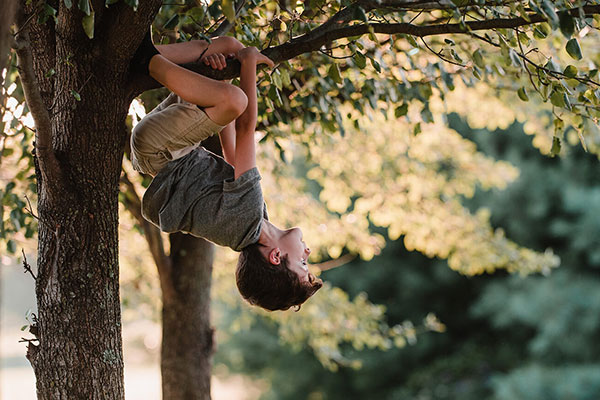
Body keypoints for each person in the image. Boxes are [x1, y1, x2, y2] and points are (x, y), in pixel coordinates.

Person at [130, 34, 323, 311]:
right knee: (230, 48)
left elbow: (244, 126)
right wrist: (221, 78)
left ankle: (144, 60)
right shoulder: (250, 225)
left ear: (276, 256)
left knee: (235, 100)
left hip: (163, 147)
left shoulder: (247, 217)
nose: (308, 251)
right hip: (165, 148)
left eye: (303, 263)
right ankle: (151, 53)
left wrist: (249, 64)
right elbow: (232, 153)